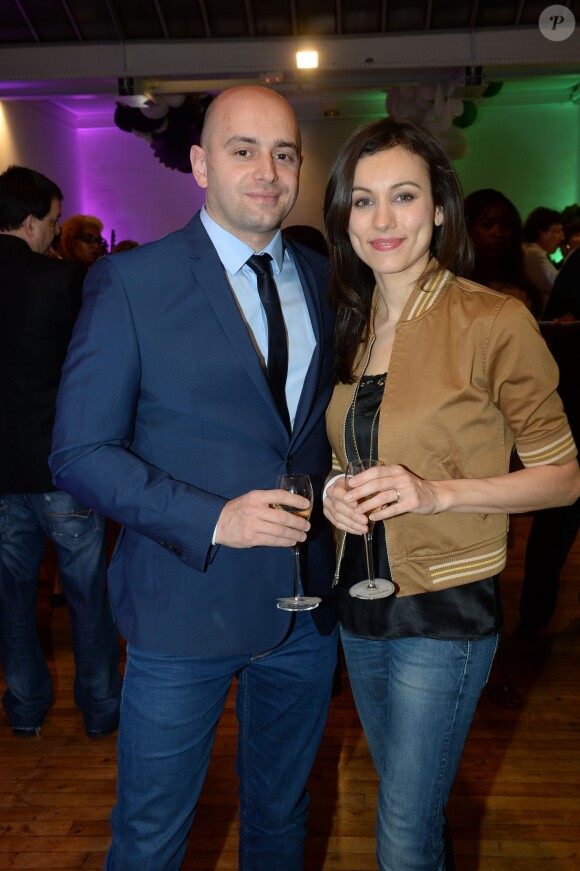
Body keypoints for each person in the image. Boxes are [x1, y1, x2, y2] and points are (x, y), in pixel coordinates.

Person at [49, 85, 338, 870]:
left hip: (305, 615)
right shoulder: (132, 285)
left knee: (282, 818)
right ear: (202, 164)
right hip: (183, 608)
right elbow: (78, 452)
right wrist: (216, 519)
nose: (268, 170)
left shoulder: (320, 276)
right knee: (151, 836)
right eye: (244, 150)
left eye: (285, 152)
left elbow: (307, 434)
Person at [321, 118, 580, 870]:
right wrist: (338, 489)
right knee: (411, 804)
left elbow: (564, 476)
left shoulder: (493, 318)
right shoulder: (350, 321)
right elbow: (352, 448)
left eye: (403, 196)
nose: (381, 219)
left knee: (401, 834)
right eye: (362, 201)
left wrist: (434, 494)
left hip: (447, 607)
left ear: (439, 208)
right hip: (358, 602)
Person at [0, 165, 122, 738]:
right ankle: (99, 707)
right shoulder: (61, 283)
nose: (54, 232)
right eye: (50, 221)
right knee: (87, 595)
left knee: (12, 599)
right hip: (59, 464)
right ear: (27, 223)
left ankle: (24, 707)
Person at [517, 247, 580, 635]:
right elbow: (557, 328)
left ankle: (533, 616)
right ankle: (533, 616)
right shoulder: (576, 264)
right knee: (555, 522)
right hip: (572, 411)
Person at [464, 187, 540, 315]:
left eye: (505, 226)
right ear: (467, 230)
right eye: (487, 225)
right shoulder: (455, 288)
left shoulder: (523, 290)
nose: (498, 233)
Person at [521, 206, 564, 316]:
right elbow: (557, 285)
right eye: (557, 231)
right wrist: (572, 256)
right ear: (540, 232)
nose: (562, 237)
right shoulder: (534, 253)